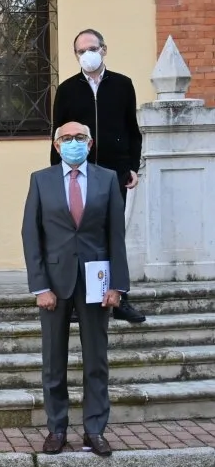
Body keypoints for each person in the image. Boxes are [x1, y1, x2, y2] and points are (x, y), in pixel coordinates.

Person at [22, 121, 129, 458]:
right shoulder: (40, 180)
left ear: (90, 142)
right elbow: (31, 235)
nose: (72, 143)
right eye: (66, 138)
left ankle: (95, 430)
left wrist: (118, 285)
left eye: (79, 138)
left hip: (96, 283)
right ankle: (57, 429)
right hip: (54, 284)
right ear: (56, 146)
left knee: (96, 360)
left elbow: (116, 235)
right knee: (54, 362)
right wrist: (40, 286)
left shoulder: (107, 179)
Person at [49, 29, 145, 324]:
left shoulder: (123, 85)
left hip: (114, 172)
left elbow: (132, 129)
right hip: (80, 172)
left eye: (92, 47)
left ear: (104, 49)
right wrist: (56, 175)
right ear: (75, 55)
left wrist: (131, 165)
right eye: (80, 50)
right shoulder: (66, 89)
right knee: (81, 235)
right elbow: (58, 135)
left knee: (113, 234)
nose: (86, 54)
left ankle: (120, 299)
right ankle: (81, 300)